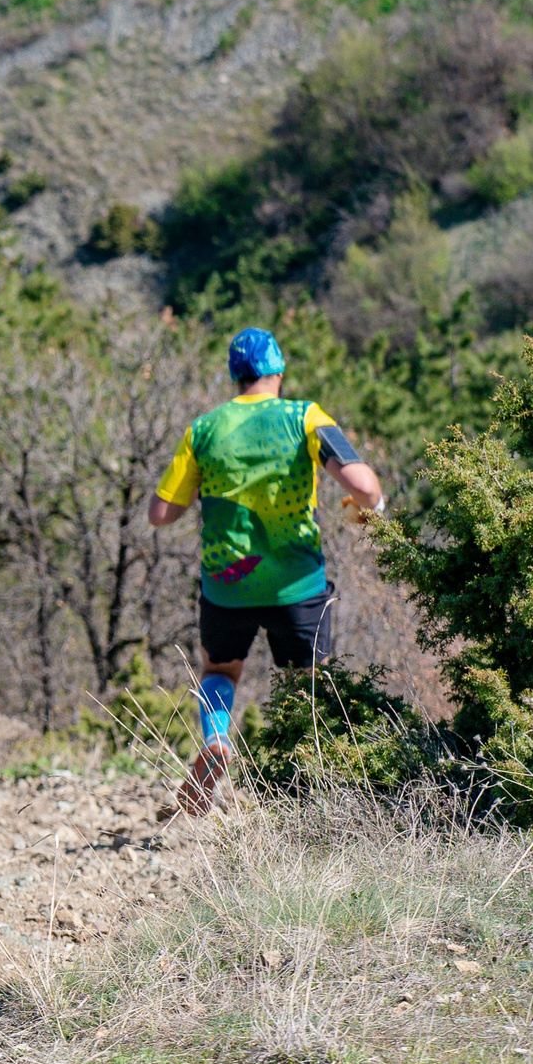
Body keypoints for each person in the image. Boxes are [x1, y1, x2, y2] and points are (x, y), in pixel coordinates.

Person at [148, 327, 384, 816]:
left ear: (236, 376)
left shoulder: (204, 429)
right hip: (296, 584)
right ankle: (311, 794)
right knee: (310, 685)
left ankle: (215, 739)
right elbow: (360, 484)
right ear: (278, 370)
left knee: (219, 670)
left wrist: (199, 488)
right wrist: (374, 507)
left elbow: (160, 513)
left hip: (227, 583)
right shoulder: (304, 417)